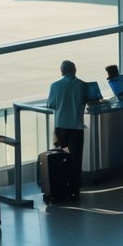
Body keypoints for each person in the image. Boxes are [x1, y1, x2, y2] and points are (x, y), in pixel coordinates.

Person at [47, 59, 88, 195]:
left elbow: (51, 105)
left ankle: (61, 184)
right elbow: (92, 99)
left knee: (60, 157)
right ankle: (75, 187)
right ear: (75, 70)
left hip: (60, 127)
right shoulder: (83, 85)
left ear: (62, 72)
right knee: (76, 159)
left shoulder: (55, 86)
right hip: (76, 127)